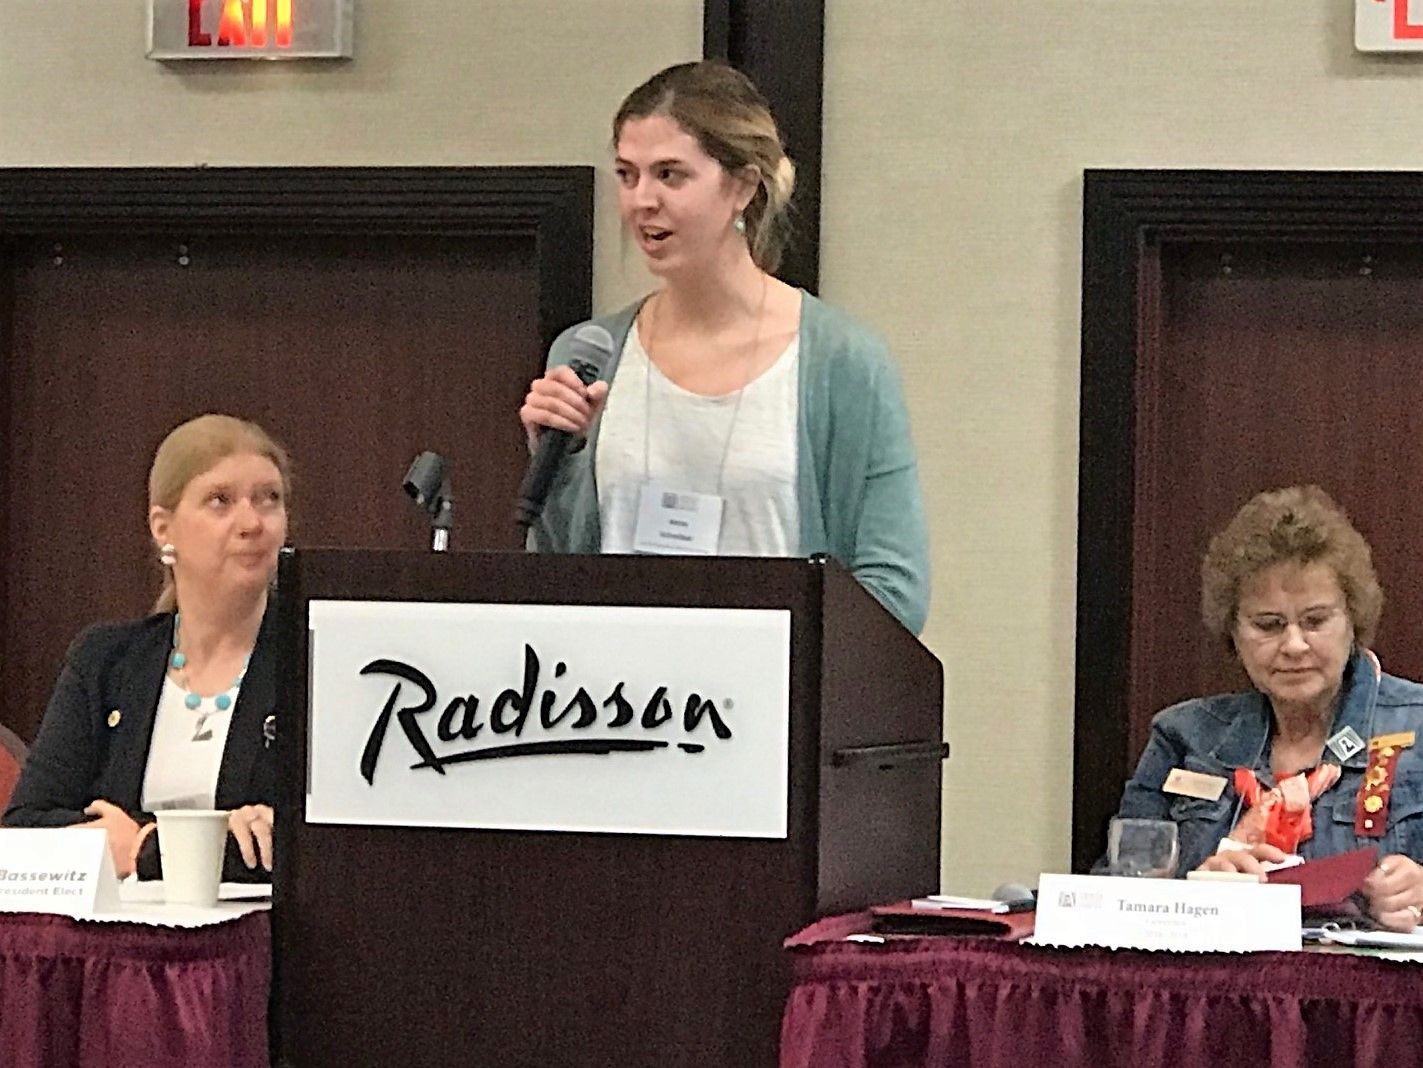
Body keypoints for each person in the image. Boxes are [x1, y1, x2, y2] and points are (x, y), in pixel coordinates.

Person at [518, 60, 930, 634]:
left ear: (742, 185)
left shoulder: (844, 362)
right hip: (617, 705)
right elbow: (554, 577)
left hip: (776, 705)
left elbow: (894, 590)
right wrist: (558, 469)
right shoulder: (588, 354)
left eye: (670, 174)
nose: (642, 200)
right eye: (627, 174)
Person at [1113, 485, 1423, 930]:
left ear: (1353, 620)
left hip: (1368, 996)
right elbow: (1111, 892)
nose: (1294, 645)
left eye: (1315, 621)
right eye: (1268, 625)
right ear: (1233, 633)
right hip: (1215, 991)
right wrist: (1186, 897)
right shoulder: (1183, 737)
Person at [4, 413, 288, 882]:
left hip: (260, 945)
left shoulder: (312, 662)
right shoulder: (106, 661)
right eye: (220, 501)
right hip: (114, 948)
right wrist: (210, 844)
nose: (251, 522)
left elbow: (313, 850)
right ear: (163, 528)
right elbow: (27, 830)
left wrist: (144, 849)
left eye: (269, 499)